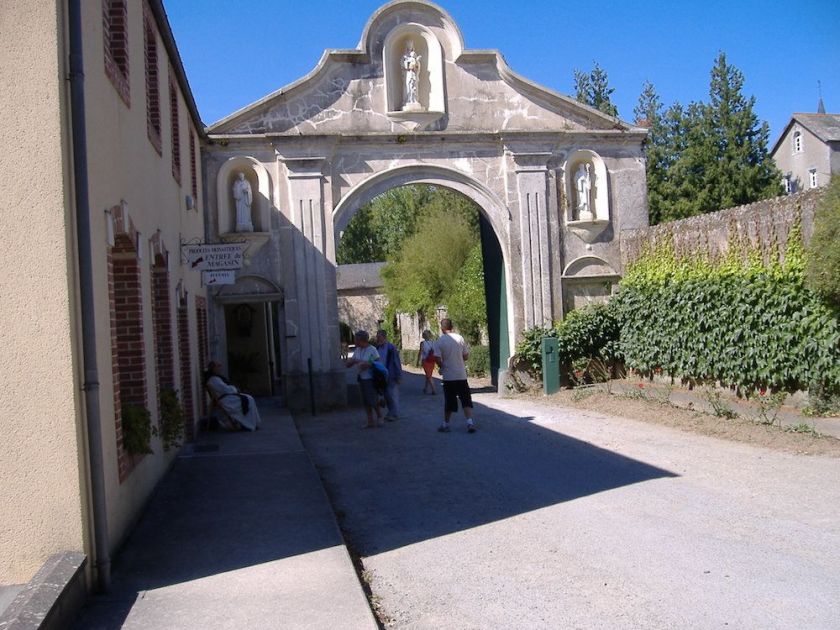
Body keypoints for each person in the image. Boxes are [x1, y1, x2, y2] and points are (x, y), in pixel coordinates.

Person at [435, 318, 476, 434]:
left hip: (448, 376)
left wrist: (442, 366)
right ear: (452, 327)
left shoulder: (440, 341)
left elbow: (437, 358)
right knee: (466, 399)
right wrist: (458, 359)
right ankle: (470, 422)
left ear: (442, 328)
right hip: (461, 374)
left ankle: (445, 424)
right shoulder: (460, 338)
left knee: (449, 400)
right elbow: (466, 355)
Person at [203, 361, 261, 431]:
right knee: (249, 400)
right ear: (213, 368)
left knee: (249, 398)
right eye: (218, 366)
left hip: (228, 397)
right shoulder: (213, 380)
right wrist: (234, 388)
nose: (220, 368)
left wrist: (232, 388)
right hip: (225, 400)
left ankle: (252, 423)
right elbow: (225, 389)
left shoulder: (216, 378)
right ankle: (248, 424)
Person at [345, 330, 384, 428]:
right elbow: (350, 363)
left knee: (373, 399)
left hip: (371, 378)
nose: (355, 342)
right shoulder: (358, 350)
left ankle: (380, 416)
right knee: (365, 400)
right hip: (361, 378)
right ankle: (370, 421)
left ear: (362, 340)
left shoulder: (372, 350)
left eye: (356, 340)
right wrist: (350, 362)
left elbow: (373, 362)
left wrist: (358, 362)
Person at [375, 330, 402, 421]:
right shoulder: (377, 347)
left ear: (384, 337)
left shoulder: (391, 348)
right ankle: (391, 412)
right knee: (386, 394)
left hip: (391, 374)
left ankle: (395, 414)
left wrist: (398, 375)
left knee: (392, 394)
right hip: (381, 376)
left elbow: (396, 362)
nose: (378, 339)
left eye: (379, 337)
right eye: (377, 337)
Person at [416, 329, 437, 395]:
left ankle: (433, 389)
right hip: (432, 361)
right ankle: (425, 388)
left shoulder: (422, 343)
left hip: (425, 361)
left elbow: (420, 352)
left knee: (429, 376)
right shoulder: (433, 342)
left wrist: (418, 361)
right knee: (428, 375)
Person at [401, 41, 421, 107]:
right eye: (409, 45)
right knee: (408, 86)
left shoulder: (414, 56)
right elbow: (402, 65)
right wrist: (407, 63)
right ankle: (408, 100)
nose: (410, 47)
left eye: (411, 46)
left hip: (414, 74)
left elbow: (418, 66)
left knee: (414, 85)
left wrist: (416, 62)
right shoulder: (405, 56)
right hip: (408, 74)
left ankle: (414, 100)